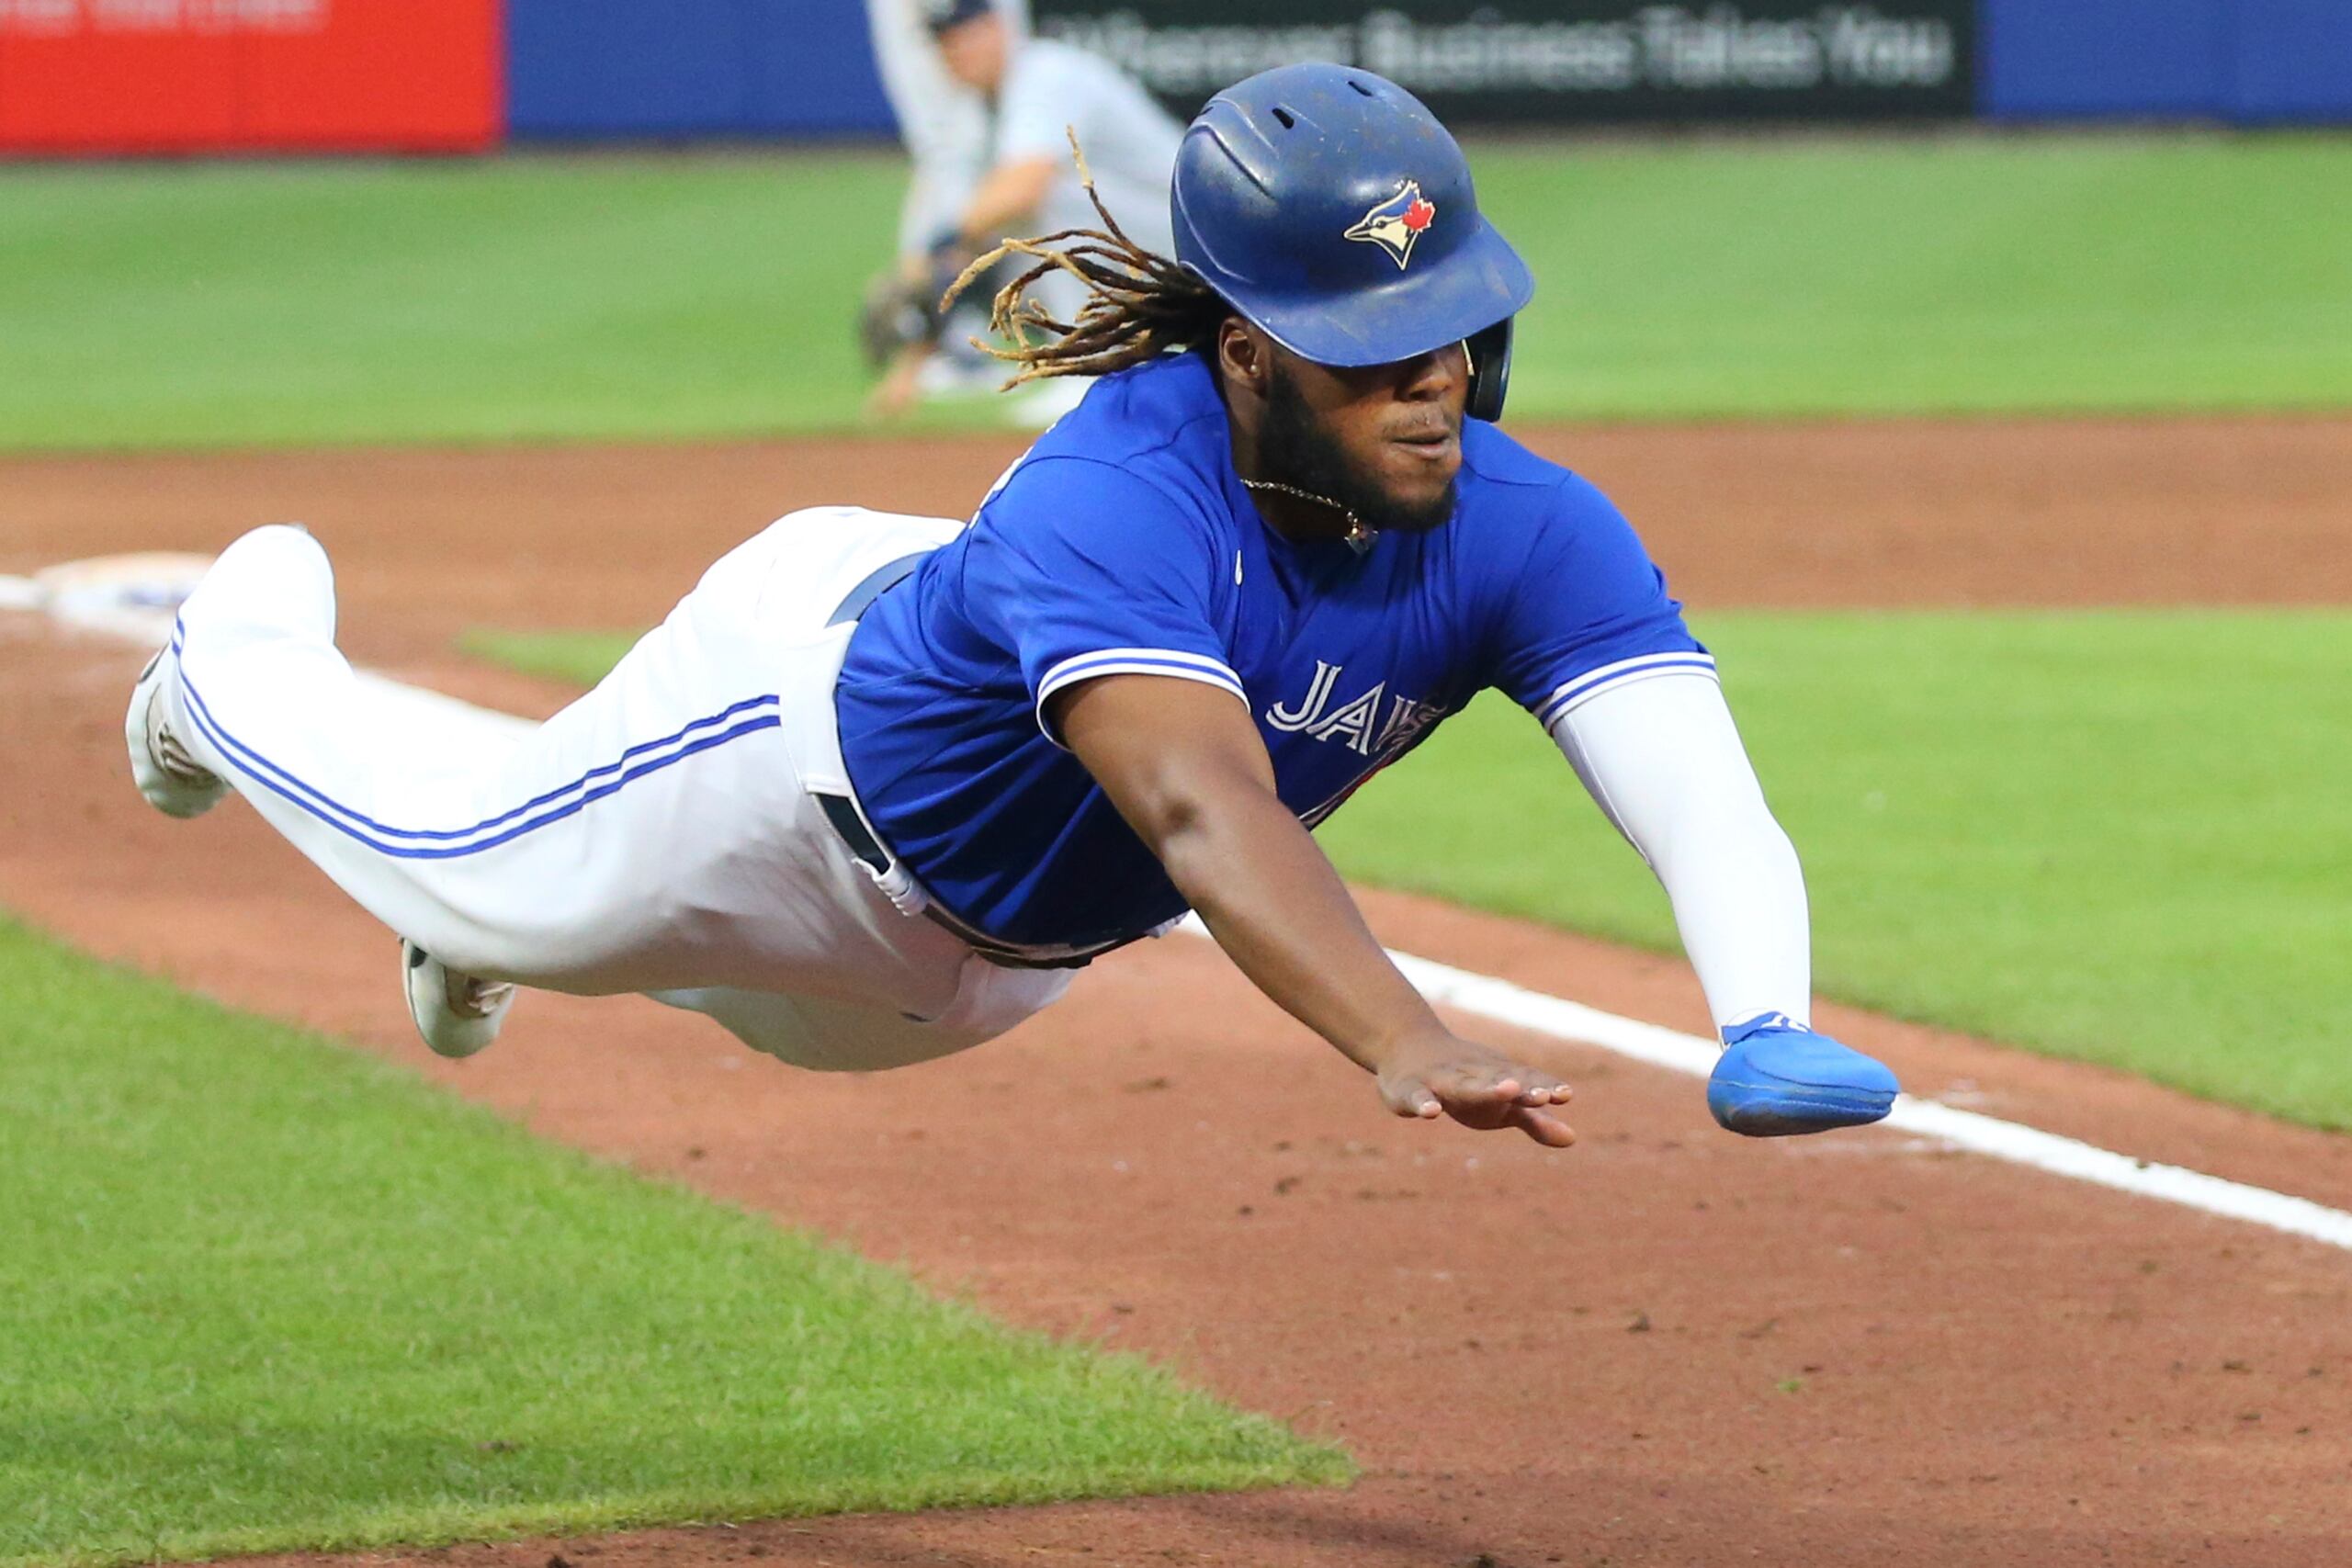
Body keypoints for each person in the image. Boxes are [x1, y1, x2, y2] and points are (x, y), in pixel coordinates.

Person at [126, 64, 1897, 1145]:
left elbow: (1690, 777)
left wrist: (1763, 1017)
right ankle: (232, 663)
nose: (1432, 383)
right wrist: (1406, 1037)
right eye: (1372, 353)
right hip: (784, 782)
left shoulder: (1521, 522)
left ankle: (520, 936)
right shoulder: (1116, 492)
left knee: (732, 999)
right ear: (1248, 355)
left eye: (1455, 329)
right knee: (505, 889)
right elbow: (1206, 807)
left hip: (982, 971)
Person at [864, 0, 1182, 421]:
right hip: (1146, 241)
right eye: (944, 44)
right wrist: (907, 373)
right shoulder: (979, 116)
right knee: (998, 232)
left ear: (997, 28)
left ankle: (1092, 370)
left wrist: (930, 253)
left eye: (964, 37)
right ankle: (1092, 359)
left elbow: (1024, 187)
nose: (955, 53)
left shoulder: (1046, 73)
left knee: (1049, 195)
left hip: (1189, 234)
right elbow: (964, 241)